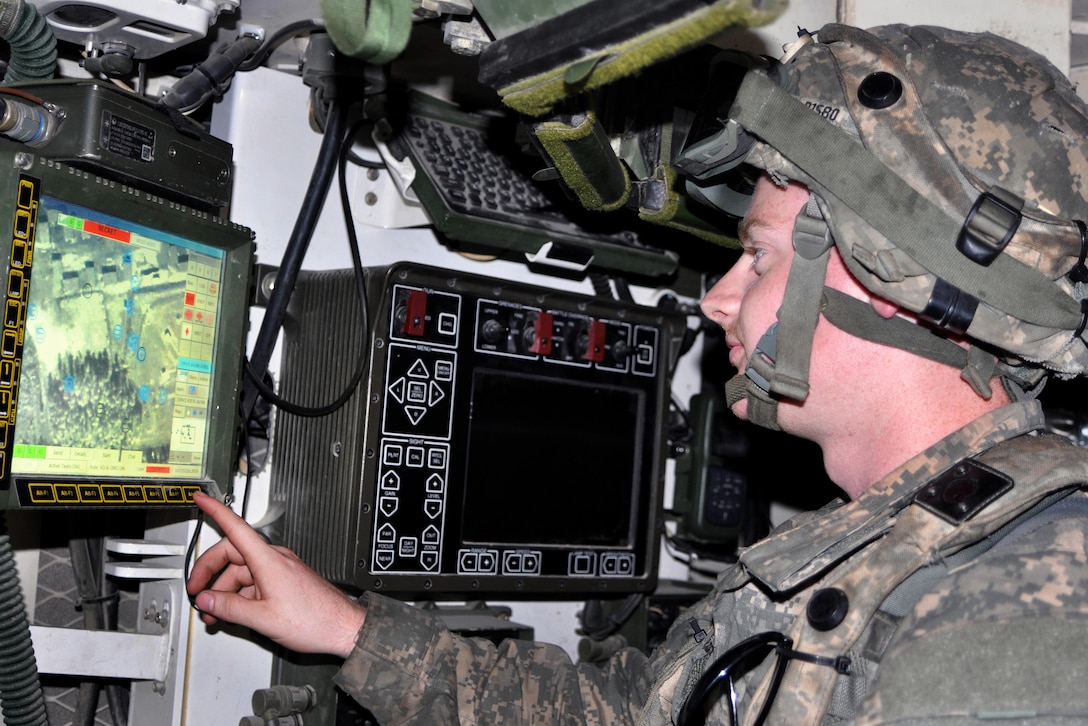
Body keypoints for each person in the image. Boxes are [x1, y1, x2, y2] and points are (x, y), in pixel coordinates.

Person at [188, 22, 1088, 725]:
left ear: (888, 275)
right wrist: (344, 627)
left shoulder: (1015, 615)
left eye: (761, 260)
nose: (718, 302)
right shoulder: (905, 549)